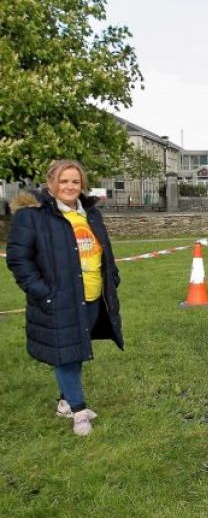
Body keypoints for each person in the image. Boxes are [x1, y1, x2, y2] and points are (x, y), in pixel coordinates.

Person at [6, 160, 123, 435]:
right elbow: (18, 260)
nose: (69, 186)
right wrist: (43, 293)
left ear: (81, 185)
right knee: (67, 355)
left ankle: (64, 401)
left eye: (75, 181)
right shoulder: (32, 216)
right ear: (50, 184)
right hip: (59, 298)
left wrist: (112, 277)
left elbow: (104, 249)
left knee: (75, 348)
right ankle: (79, 411)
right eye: (63, 181)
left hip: (93, 296)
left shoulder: (91, 214)